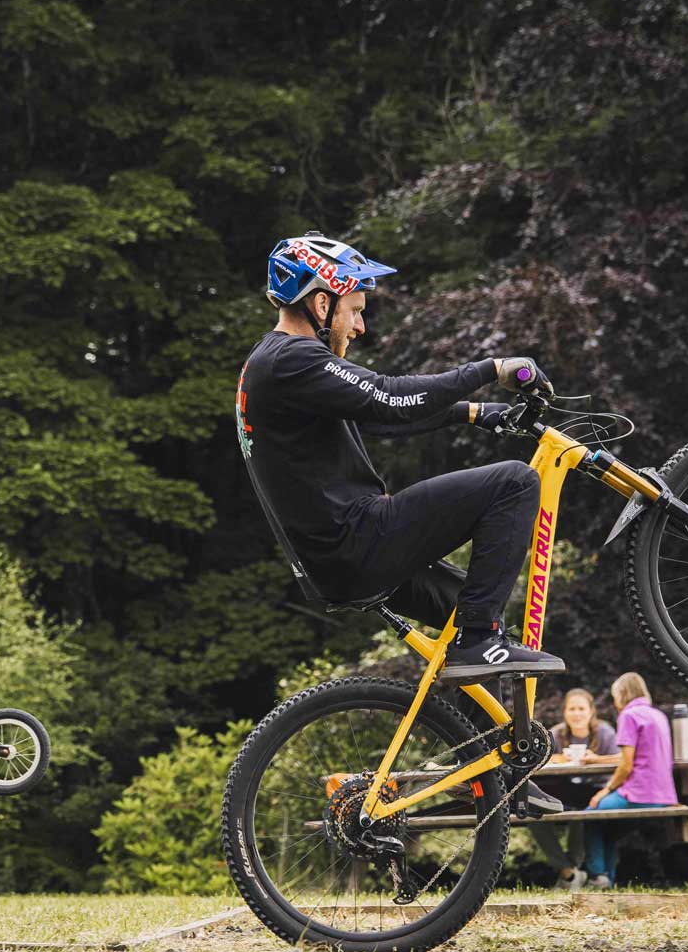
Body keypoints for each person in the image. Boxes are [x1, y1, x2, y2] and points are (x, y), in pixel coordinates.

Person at [237, 232, 567, 681]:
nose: (359, 327)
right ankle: (479, 644)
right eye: (355, 311)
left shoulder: (277, 364)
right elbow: (388, 398)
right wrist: (490, 370)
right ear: (320, 305)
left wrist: (474, 413)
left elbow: (378, 420)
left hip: (337, 560)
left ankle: (480, 735)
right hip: (357, 542)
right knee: (515, 483)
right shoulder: (293, 360)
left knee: (474, 611)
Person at [581, 671, 680, 888]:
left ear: (622, 694)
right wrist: (598, 760)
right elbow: (634, 754)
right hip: (663, 794)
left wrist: (604, 791)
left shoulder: (628, 715)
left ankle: (598, 876)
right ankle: (607, 879)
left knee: (590, 814)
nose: (615, 703)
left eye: (616, 697)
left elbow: (626, 765)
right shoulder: (657, 715)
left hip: (639, 792)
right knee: (609, 826)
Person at [529, 688, 620, 889]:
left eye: (581, 708)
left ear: (591, 711)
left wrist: (595, 761)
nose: (576, 713)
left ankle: (571, 876)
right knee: (532, 816)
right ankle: (568, 872)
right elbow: (535, 760)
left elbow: (621, 759)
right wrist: (557, 758)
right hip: (564, 792)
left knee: (581, 816)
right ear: (565, 712)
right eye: (572, 709)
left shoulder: (605, 733)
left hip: (596, 791)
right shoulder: (556, 734)